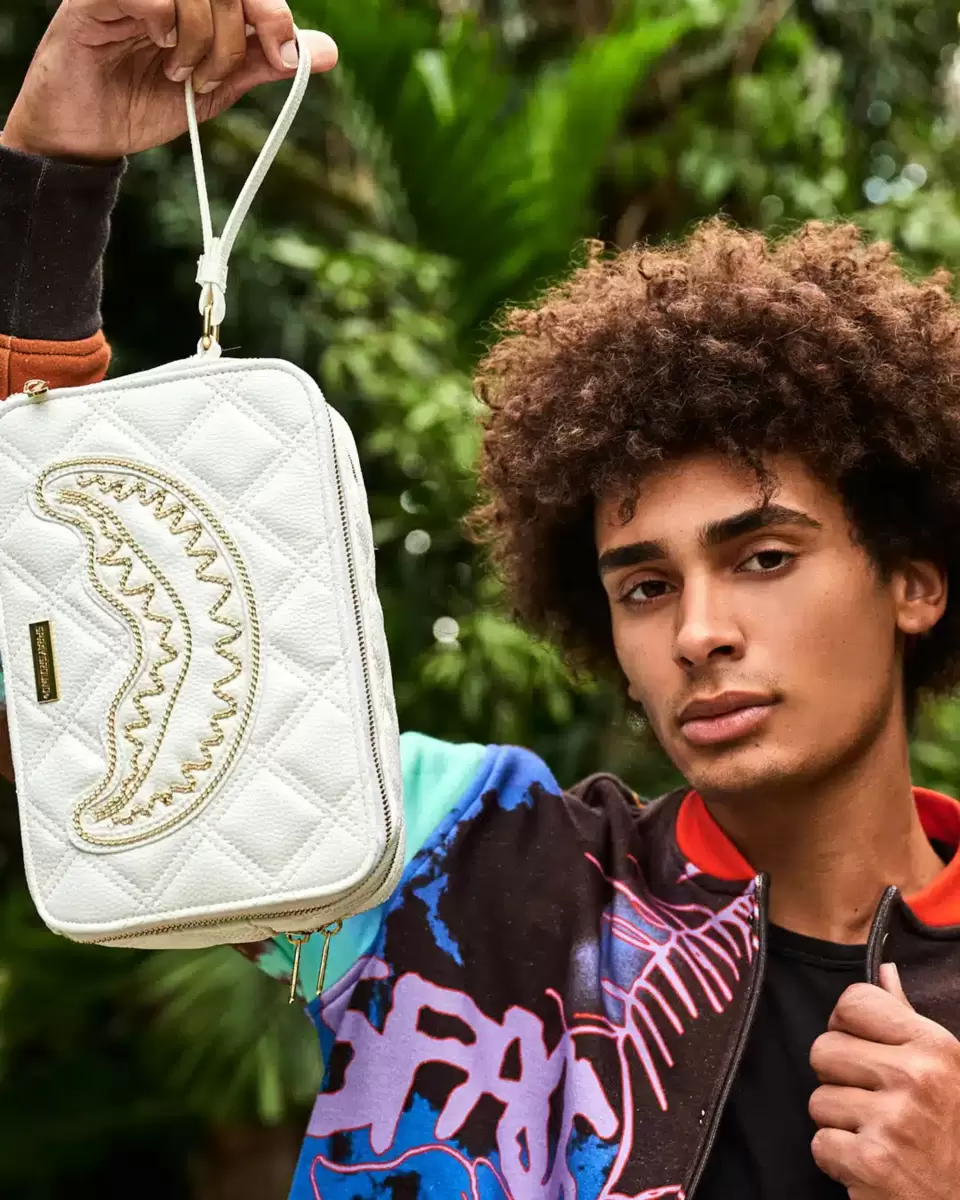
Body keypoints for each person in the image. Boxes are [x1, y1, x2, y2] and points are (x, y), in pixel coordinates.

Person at [2, 2, 960, 1197]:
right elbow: (62, 702)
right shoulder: (461, 859)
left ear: (914, 579)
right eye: (645, 585)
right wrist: (54, 171)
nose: (700, 632)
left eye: (764, 557)